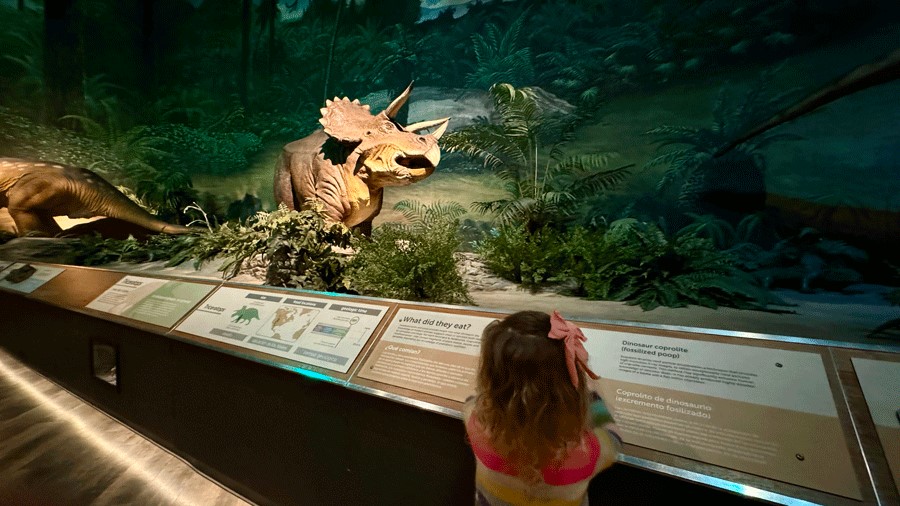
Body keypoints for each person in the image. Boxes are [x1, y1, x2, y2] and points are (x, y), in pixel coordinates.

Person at [463, 310, 622, 506]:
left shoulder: (476, 423)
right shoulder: (585, 453)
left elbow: (471, 401)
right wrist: (591, 394)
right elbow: (614, 439)